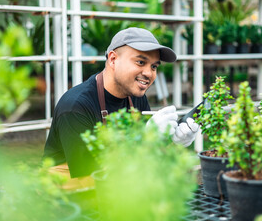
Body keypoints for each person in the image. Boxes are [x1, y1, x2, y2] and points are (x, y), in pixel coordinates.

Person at [44, 27, 199, 180]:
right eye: (140, 62)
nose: (148, 73)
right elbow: (88, 176)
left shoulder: (136, 97)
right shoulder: (76, 106)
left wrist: (173, 142)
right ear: (113, 60)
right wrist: (144, 139)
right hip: (69, 197)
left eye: (154, 66)